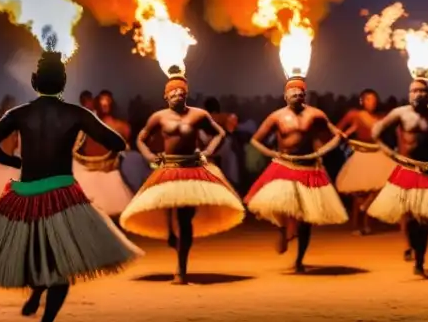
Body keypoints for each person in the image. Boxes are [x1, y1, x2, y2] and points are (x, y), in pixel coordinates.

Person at [0, 50, 143, 322]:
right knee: (62, 265)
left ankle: (38, 290)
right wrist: (83, 134)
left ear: (35, 81)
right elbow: (117, 141)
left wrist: (13, 163)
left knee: (36, 254)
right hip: (63, 194)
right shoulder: (76, 114)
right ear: (63, 82)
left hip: (26, 193)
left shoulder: (19, 114)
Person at [119, 67, 245, 285]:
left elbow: (220, 133)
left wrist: (207, 152)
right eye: (173, 93)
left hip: (192, 169)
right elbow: (140, 139)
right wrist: (151, 156)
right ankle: (171, 235)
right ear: (165, 95)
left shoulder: (198, 115)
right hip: (168, 168)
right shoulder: (158, 117)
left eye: (181, 92)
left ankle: (181, 268)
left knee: (186, 218)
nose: (178, 95)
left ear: (187, 94)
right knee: (172, 209)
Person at [367, 79, 428, 277]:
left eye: (422, 91)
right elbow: (376, 132)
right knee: (410, 217)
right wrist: (390, 153)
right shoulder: (400, 113)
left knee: (424, 220)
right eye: (414, 91)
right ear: (409, 93)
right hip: (406, 170)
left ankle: (420, 260)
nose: (418, 94)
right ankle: (413, 247)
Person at [245, 76, 347, 272]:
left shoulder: (316, 114)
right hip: (284, 165)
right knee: (282, 205)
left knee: (305, 218)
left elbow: (337, 136)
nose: (297, 95)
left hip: (308, 168)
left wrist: (320, 152)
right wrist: (272, 153)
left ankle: (299, 259)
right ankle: (282, 230)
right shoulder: (276, 116)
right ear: (285, 96)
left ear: (305, 96)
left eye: (300, 93)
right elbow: (256, 140)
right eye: (293, 92)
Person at [334, 89, 389, 235]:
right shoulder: (354, 115)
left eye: (374, 99)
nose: (372, 102)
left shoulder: (381, 117)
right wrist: (347, 133)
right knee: (359, 192)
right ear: (362, 101)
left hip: (378, 154)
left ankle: (367, 221)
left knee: (380, 187)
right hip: (361, 155)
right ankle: (357, 226)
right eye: (369, 99)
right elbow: (337, 129)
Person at [72, 90, 134, 216]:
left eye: (107, 101)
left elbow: (125, 148)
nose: (105, 104)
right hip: (86, 173)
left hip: (110, 173)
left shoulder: (121, 126)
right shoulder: (85, 124)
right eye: (102, 101)